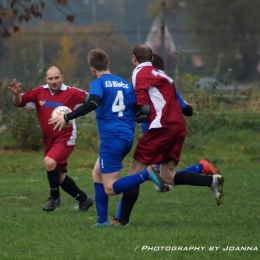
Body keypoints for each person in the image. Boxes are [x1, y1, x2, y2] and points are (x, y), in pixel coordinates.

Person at [49, 49, 165, 227]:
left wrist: (67, 116)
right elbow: (137, 112)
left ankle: (147, 174)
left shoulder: (99, 83)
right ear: (108, 64)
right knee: (97, 173)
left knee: (110, 187)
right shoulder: (126, 84)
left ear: (92, 68)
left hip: (112, 139)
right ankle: (102, 221)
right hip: (127, 137)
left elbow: (93, 101)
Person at [112, 44, 224, 226]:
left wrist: (125, 115)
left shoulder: (138, 73)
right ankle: (212, 181)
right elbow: (179, 105)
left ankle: (122, 221)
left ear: (134, 58)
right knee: (167, 177)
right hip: (178, 126)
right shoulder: (163, 75)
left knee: (134, 173)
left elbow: (143, 106)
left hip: (160, 127)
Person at [8, 66, 94, 212]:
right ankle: (84, 200)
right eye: (51, 78)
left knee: (49, 162)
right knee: (58, 177)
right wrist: (16, 94)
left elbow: (93, 100)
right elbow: (19, 102)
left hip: (65, 137)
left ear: (62, 77)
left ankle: (54, 199)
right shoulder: (39, 92)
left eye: (57, 78)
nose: (54, 81)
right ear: (46, 79)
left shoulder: (73, 92)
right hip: (49, 140)